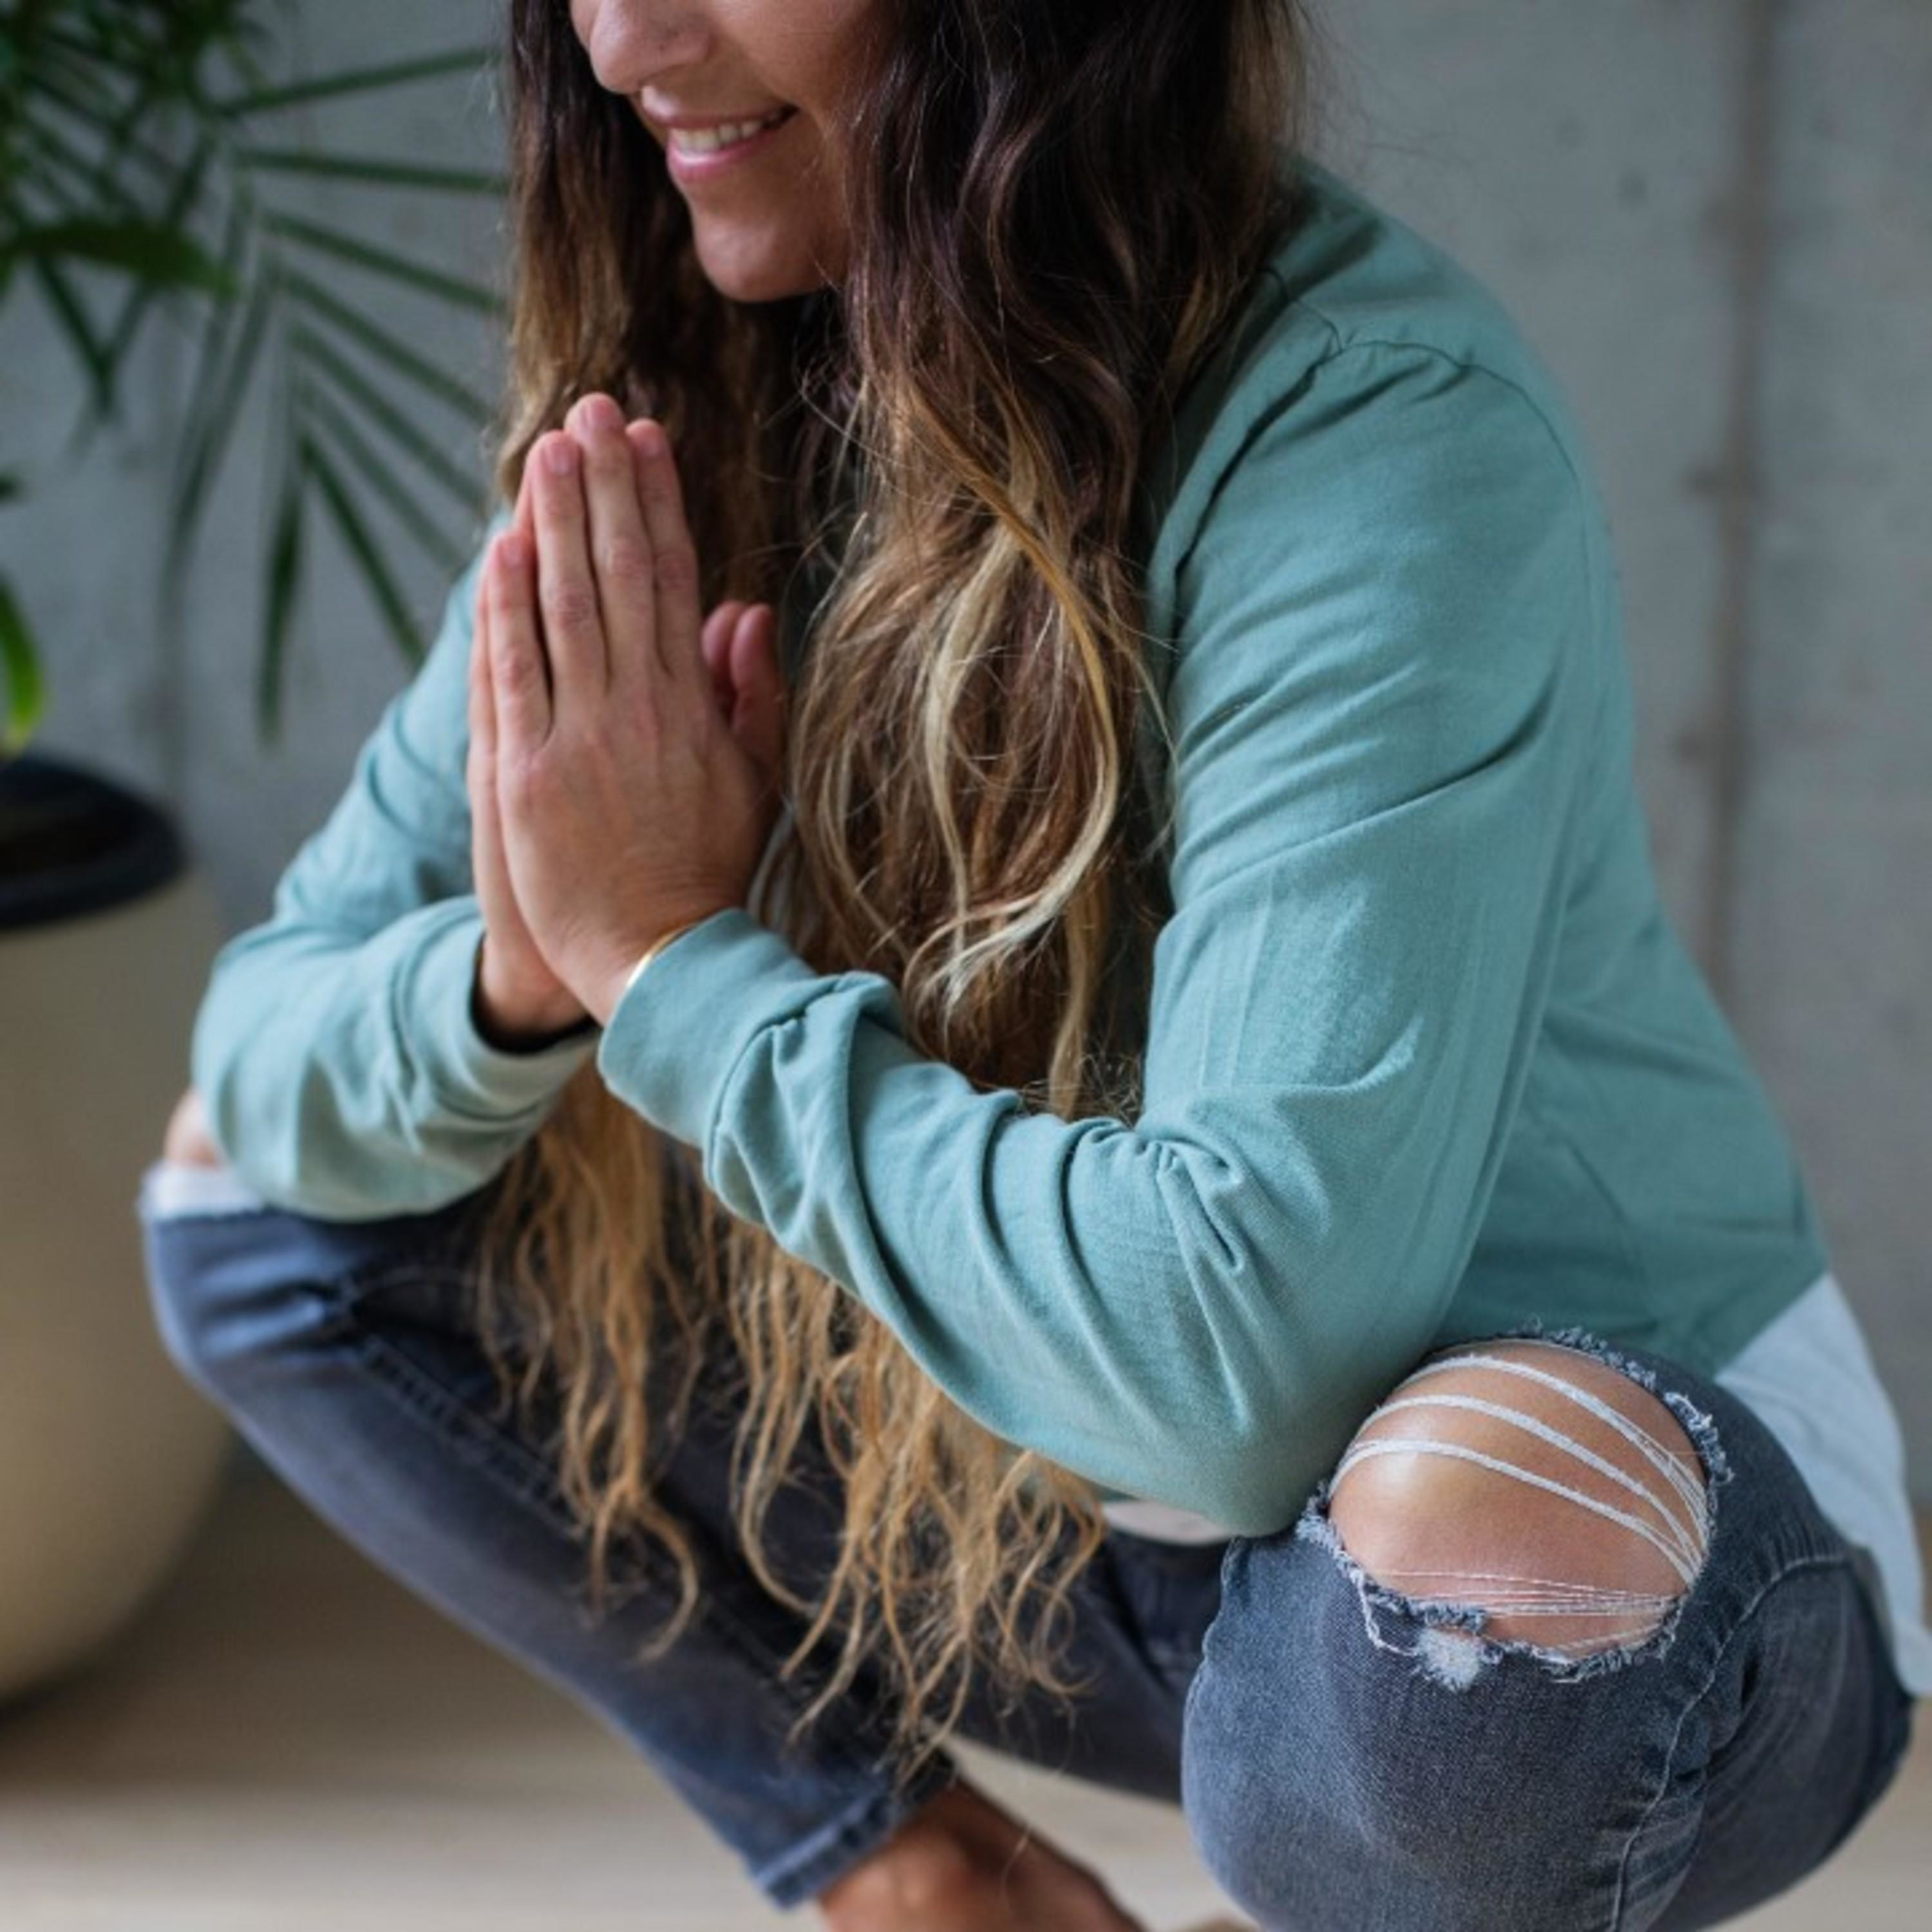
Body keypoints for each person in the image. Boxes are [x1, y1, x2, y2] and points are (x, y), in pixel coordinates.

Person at [139, 3, 1926, 1927]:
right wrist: (526, 973)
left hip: (1559, 1617)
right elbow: (263, 1062)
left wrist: (667, 968)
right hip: (1043, 1537)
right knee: (257, 1206)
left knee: (1468, 1548)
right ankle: (916, 1874)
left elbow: (1242, 1371)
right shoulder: (687, 416)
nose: (624, 36)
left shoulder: (1376, 429)